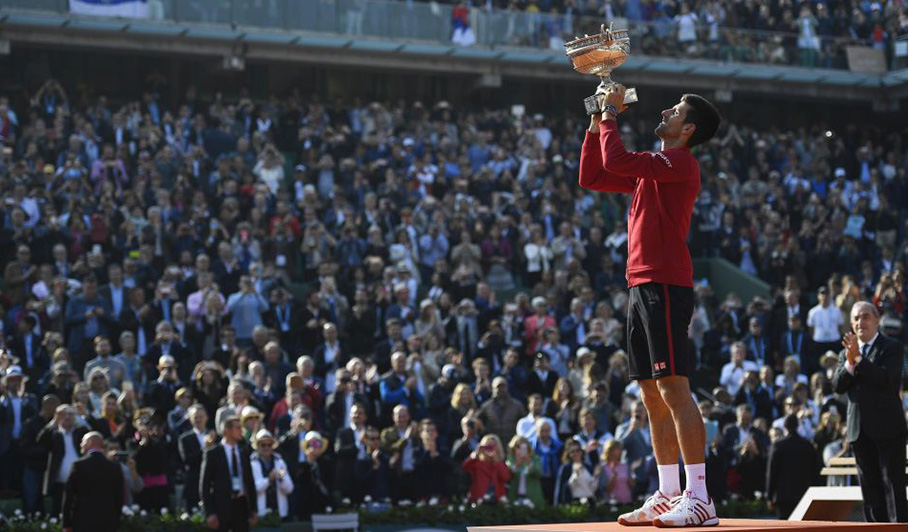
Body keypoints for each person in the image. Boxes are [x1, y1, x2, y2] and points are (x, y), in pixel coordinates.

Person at [580, 86, 721, 527]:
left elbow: (617, 160)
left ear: (688, 129)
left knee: (674, 389)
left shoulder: (679, 162)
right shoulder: (656, 170)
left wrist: (609, 113)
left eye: (675, 110)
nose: (665, 111)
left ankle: (699, 497)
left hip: (664, 282)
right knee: (652, 395)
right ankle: (667, 491)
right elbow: (593, 175)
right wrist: (593, 121)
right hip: (642, 284)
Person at [832, 301, 907, 522]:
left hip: (887, 430)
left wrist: (857, 359)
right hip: (859, 430)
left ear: (877, 320)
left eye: (865, 316)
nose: (859, 322)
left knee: (892, 486)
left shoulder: (891, 347)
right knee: (869, 489)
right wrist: (849, 364)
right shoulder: (845, 353)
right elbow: (837, 385)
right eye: (855, 318)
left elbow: (886, 380)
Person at [200, 416, 258, 532]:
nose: (241, 430)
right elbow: (204, 485)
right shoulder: (213, 453)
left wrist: (253, 510)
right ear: (227, 430)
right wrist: (209, 513)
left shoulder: (244, 451)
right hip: (221, 506)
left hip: (241, 505)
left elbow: (250, 482)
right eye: (237, 428)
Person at [61, 432, 124, 532]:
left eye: (83, 442)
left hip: (82, 522)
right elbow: (119, 498)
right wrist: (116, 521)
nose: (81, 445)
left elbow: (69, 497)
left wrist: (66, 523)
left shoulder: (78, 466)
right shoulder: (115, 468)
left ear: (89, 443)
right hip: (108, 522)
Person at [765, 415, 820, 519]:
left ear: (784, 426)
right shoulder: (807, 445)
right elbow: (815, 471)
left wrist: (769, 496)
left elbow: (771, 473)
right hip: (804, 494)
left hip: (783, 496)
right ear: (797, 425)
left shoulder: (778, 446)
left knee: (785, 527)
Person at [249, 429, 294, 519]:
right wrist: (269, 480)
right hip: (261, 514)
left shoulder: (280, 463)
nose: (266, 448)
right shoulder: (252, 464)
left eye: (269, 445)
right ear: (257, 446)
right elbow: (255, 488)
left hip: (280, 514)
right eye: (263, 445)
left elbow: (289, 489)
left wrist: (281, 479)